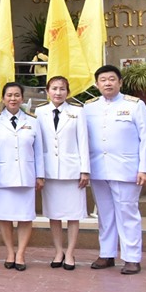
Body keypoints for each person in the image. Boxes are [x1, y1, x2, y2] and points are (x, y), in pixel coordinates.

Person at [85, 65, 146, 275]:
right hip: (98, 168)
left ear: (120, 82)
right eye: (103, 80)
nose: (108, 83)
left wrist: (145, 168)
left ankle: (132, 257)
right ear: (97, 84)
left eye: (112, 79)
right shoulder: (89, 107)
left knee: (127, 213)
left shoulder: (134, 105)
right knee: (105, 214)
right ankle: (106, 254)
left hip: (126, 169)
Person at [35, 76, 89, 270]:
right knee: (54, 214)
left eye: (62, 89)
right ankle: (59, 251)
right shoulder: (39, 112)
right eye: (54, 88)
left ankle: (71, 252)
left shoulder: (78, 111)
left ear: (68, 92)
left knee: (74, 214)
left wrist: (85, 170)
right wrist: (38, 172)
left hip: (72, 171)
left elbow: (83, 141)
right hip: (49, 171)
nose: (58, 93)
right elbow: (37, 144)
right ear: (47, 91)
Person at [0, 82, 44, 271]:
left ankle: (21, 253)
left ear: (22, 98)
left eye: (16, 95)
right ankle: (10, 252)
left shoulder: (33, 121)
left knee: (25, 217)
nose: (13, 99)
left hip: (26, 175)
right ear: (3, 98)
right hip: (3, 175)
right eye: (9, 95)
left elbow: (39, 151)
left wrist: (40, 175)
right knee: (4, 216)